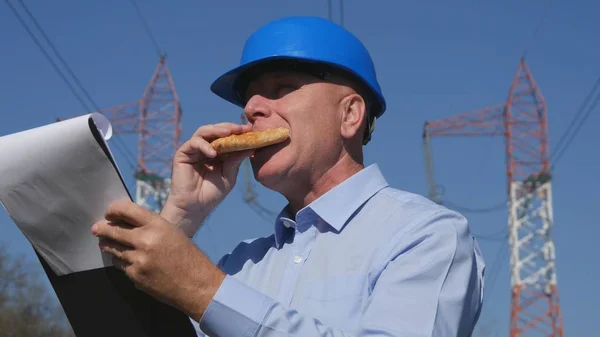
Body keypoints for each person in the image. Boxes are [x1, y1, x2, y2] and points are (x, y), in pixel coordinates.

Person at [91, 16, 486, 336]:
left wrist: (202, 290)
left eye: (283, 88)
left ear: (350, 115)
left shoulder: (427, 236)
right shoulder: (240, 265)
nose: (252, 108)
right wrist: (181, 216)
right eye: (249, 98)